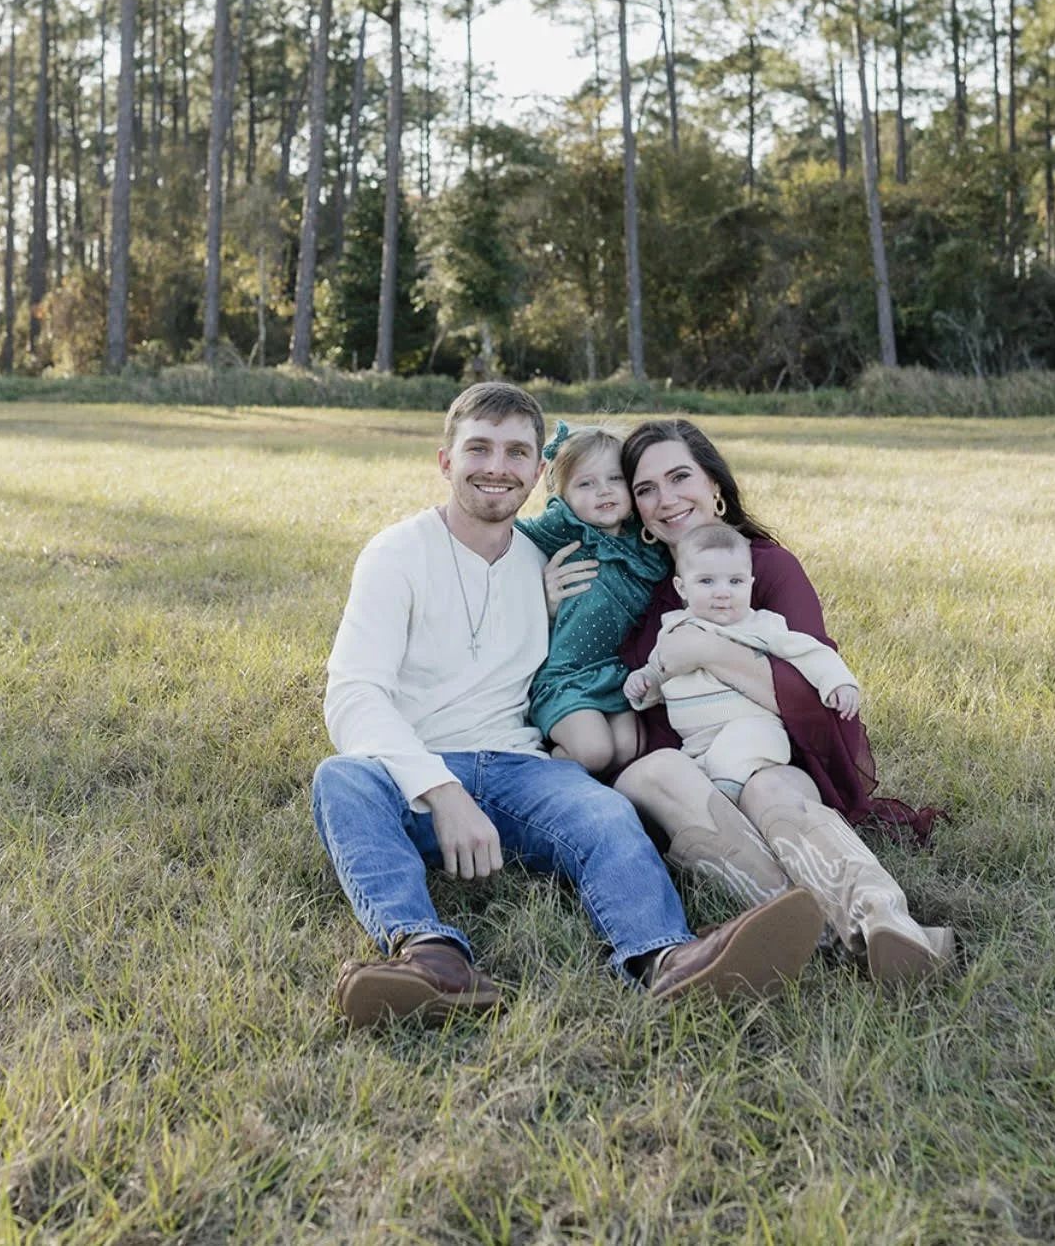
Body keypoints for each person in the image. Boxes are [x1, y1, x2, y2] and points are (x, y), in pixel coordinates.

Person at [312, 383, 823, 1028]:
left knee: (607, 812)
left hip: (523, 767)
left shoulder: (552, 555)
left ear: (535, 474)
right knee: (340, 780)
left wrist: (552, 605)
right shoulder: (396, 553)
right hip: (412, 770)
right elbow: (353, 693)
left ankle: (665, 958)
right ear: (446, 462)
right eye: (479, 449)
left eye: (516, 453)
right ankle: (430, 958)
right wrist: (441, 790)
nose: (497, 466)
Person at [545, 417, 954, 986]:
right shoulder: (636, 578)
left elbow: (817, 703)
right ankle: (819, 927)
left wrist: (706, 650)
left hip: (772, 755)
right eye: (645, 489)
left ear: (715, 484)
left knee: (768, 785)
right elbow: (591, 677)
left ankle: (885, 921)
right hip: (689, 767)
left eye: (680, 477)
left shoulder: (764, 568)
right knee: (650, 772)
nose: (665, 500)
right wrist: (547, 606)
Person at [624, 522, 862, 799]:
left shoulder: (762, 625)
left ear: (750, 584)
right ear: (682, 587)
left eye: (735, 581)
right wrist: (644, 682)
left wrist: (838, 683)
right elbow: (659, 670)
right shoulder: (673, 629)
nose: (722, 592)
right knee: (682, 778)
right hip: (697, 744)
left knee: (730, 761)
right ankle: (715, 812)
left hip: (754, 732)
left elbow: (810, 651)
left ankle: (727, 806)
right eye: (706, 581)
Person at [514, 422, 668, 775]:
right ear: (562, 496)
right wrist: (538, 588)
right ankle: (535, 769)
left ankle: (587, 791)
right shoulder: (565, 527)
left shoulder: (646, 541)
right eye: (586, 483)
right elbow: (506, 530)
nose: (604, 491)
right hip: (567, 677)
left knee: (629, 749)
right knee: (595, 751)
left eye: (615, 479)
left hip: (617, 675)